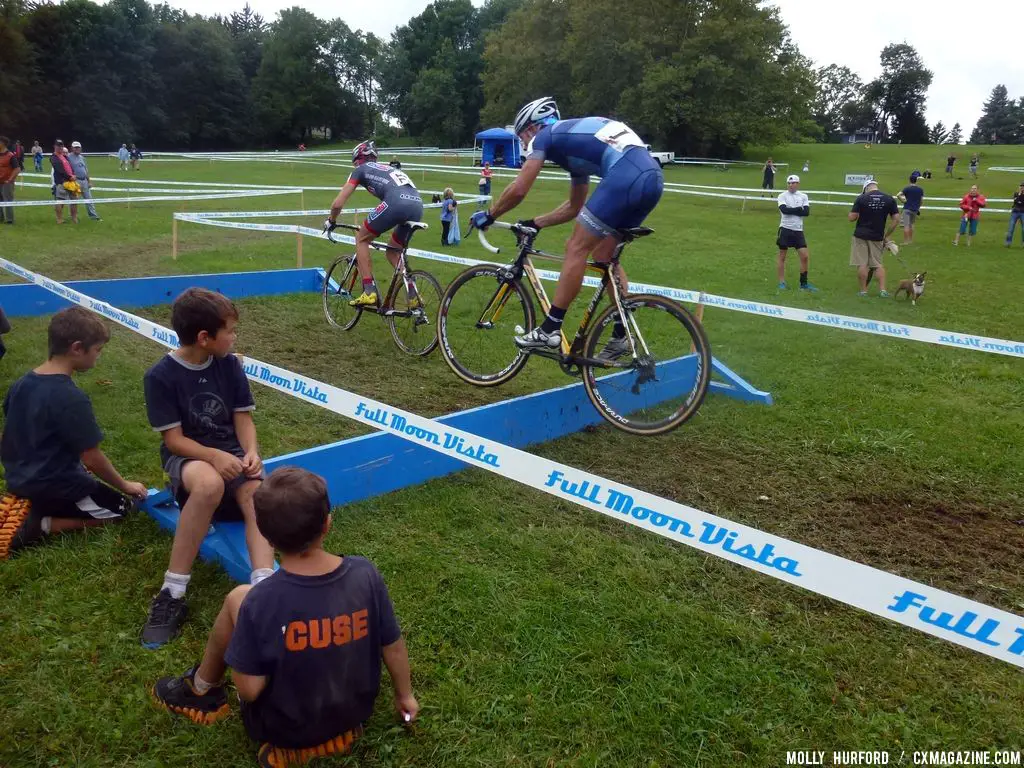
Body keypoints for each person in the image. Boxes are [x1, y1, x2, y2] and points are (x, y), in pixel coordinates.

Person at [152, 466, 418, 767]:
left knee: (237, 597)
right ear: (327, 524)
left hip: (280, 726)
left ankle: (201, 690)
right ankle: (336, 734)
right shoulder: (365, 574)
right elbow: (393, 645)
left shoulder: (261, 601)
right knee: (245, 599)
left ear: (265, 537)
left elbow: (249, 691)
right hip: (354, 712)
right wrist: (405, 696)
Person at [469, 97, 664, 356]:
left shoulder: (545, 136)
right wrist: (536, 222)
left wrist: (491, 214)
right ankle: (621, 334)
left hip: (625, 176)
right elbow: (575, 205)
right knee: (604, 254)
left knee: (575, 247)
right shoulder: (573, 144)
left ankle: (550, 329)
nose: (525, 146)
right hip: (652, 178)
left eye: (522, 139)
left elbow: (519, 190)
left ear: (531, 129)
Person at [141, 288, 276, 648]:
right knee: (209, 484)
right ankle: (172, 592)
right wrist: (214, 457)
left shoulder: (230, 365)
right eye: (230, 331)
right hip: (189, 460)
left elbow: (243, 418)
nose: (234, 337)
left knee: (258, 494)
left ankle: (264, 587)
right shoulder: (160, 376)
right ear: (205, 338)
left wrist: (251, 452)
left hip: (230, 453)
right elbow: (174, 441)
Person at [0, 307, 148, 559]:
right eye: (97, 350)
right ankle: (41, 525)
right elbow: (92, 457)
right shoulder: (70, 398)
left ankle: (31, 505)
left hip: (19, 478)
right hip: (57, 485)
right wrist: (126, 485)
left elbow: (16, 431)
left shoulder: (21, 383)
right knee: (124, 509)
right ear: (77, 348)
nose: (97, 358)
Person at [323, 141, 425, 309]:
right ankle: (412, 294)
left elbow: (337, 204)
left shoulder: (360, 170)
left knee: (361, 239)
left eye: (354, 161)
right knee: (393, 251)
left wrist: (331, 220)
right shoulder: (389, 168)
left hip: (396, 203)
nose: (354, 165)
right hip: (417, 205)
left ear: (358, 159)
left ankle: (369, 290)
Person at [848, 180, 899, 297]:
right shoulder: (889, 199)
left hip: (861, 235)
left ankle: (863, 291)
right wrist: (887, 235)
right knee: (877, 264)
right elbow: (896, 219)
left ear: (866, 188)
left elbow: (852, 218)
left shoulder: (861, 198)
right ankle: (882, 290)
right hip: (877, 236)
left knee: (862, 264)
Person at [775, 174, 816, 292]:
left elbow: (806, 212)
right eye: (789, 183)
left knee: (805, 256)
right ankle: (781, 283)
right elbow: (784, 210)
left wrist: (794, 210)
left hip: (798, 230)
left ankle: (803, 284)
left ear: (798, 184)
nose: (791, 185)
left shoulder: (803, 196)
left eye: (793, 183)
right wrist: (798, 209)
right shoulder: (782, 195)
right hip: (785, 228)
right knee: (782, 256)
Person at [68, 141, 101, 221]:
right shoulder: (68, 157)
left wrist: (89, 181)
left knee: (89, 199)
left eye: (78, 147)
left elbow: (86, 170)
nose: (77, 149)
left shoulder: (82, 158)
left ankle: (94, 216)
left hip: (84, 181)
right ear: (72, 148)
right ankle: (73, 217)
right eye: (75, 147)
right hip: (76, 182)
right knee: (74, 200)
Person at [50, 140, 80, 224]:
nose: (60, 147)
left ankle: (74, 218)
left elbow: (71, 167)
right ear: (54, 146)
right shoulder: (53, 157)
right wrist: (70, 177)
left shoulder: (65, 157)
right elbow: (60, 170)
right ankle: (59, 219)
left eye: (61, 145)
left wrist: (73, 175)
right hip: (62, 182)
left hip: (71, 182)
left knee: (74, 200)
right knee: (60, 201)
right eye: (58, 145)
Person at [896, 173, 925, 245]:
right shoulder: (920, 189)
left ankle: (905, 241)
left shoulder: (907, 188)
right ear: (916, 181)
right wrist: (918, 207)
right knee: (912, 224)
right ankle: (910, 240)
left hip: (907, 208)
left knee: (906, 225)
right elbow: (921, 201)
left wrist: (903, 201)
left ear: (910, 180)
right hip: (915, 210)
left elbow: (898, 195)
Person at [0, 136, 20, 225]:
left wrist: (10, 179)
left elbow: (17, 169)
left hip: (6, 182)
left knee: (7, 200)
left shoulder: (10, 155)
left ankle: (9, 220)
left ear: (3, 143)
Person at [1006, 181, 1024, 247]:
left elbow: (1021, 202)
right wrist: (1019, 195)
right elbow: (1016, 201)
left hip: (1023, 212)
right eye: (1021, 186)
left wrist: (1020, 200)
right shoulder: (1016, 193)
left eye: (1023, 187)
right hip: (1015, 212)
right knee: (1011, 227)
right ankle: (1008, 242)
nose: (1022, 188)